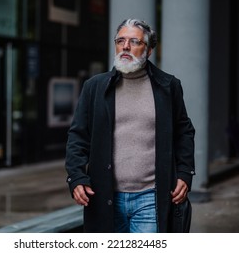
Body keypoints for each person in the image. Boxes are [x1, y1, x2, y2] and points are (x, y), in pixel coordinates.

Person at [65, 18, 195, 233]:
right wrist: (76, 176)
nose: (125, 46)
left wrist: (184, 173)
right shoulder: (95, 87)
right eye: (120, 40)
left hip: (150, 197)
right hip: (104, 196)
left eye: (134, 41)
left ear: (149, 50)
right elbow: (78, 136)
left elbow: (184, 131)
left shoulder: (168, 86)